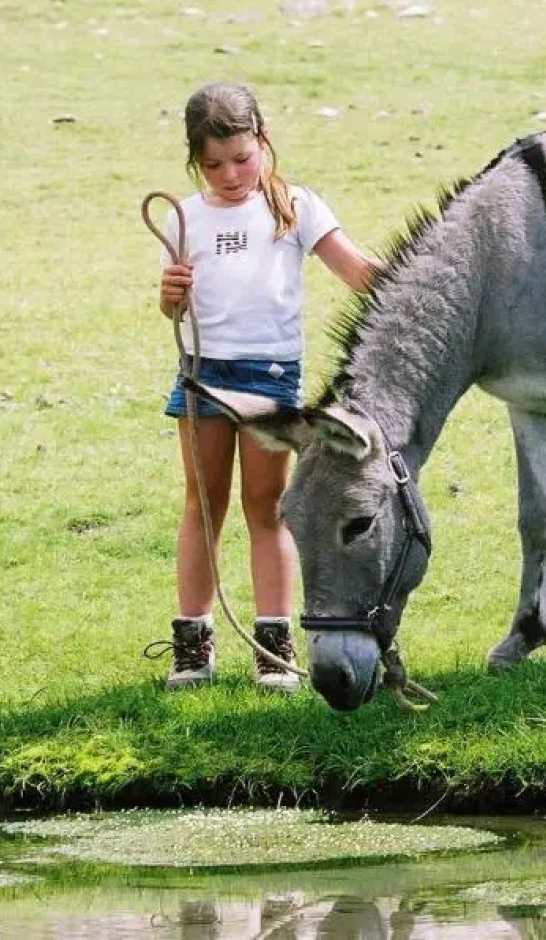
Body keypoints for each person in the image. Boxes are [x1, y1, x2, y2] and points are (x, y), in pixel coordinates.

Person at [149, 82, 377, 692]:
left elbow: (357, 270)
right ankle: (192, 646)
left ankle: (273, 645)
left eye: (242, 158)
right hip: (202, 375)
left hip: (270, 378)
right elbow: (175, 311)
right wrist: (169, 298)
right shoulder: (185, 216)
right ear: (195, 160)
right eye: (214, 164)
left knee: (268, 508)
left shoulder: (294, 206)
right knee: (204, 504)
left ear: (263, 141)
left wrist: (421, 291)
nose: (230, 174)